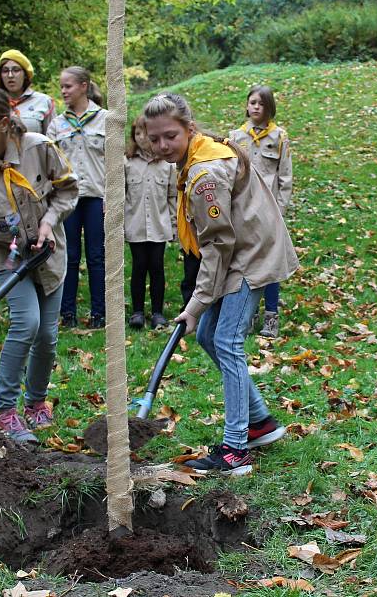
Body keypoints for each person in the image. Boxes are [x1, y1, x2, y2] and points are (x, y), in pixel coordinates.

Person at [143, 92, 298, 475]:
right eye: (154, 138)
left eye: (170, 136)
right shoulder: (199, 156)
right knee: (208, 336)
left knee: (226, 340)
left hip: (248, 258)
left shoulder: (204, 174)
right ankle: (260, 422)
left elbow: (218, 244)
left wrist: (196, 304)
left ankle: (234, 451)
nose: (162, 145)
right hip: (241, 251)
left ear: (188, 129)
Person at [0, 85, 78, 443]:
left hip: (50, 253)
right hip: (9, 258)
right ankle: (4, 411)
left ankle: (36, 404)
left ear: (4, 123)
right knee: (27, 323)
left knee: (48, 336)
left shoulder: (38, 147)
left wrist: (49, 221)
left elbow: (68, 189)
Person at [229, 85, 292, 338]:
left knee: (271, 264)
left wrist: (280, 210)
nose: (256, 107)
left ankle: (271, 317)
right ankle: (248, 314)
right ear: (246, 105)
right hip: (243, 210)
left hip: (269, 212)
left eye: (262, 103)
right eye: (252, 102)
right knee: (245, 263)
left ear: (269, 107)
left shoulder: (279, 137)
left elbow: (285, 176)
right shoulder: (235, 137)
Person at [47, 66, 107, 329]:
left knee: (96, 256)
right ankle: (67, 313)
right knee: (68, 255)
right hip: (68, 199)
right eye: (61, 86)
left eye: (68, 86)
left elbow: (117, 162)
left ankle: (100, 313)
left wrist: (113, 197)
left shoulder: (106, 119)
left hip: (97, 196)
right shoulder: (57, 124)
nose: (63, 91)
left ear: (84, 86)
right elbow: (47, 163)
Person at [124, 116, 177, 329]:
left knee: (156, 267)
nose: (141, 138)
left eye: (145, 133)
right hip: (135, 224)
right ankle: (137, 311)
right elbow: (120, 195)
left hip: (159, 224)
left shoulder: (166, 164)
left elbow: (173, 196)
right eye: (137, 134)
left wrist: (173, 224)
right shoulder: (126, 162)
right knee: (138, 266)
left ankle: (157, 312)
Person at [0, 49, 55, 134]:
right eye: (5, 71)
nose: (10, 75)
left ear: (25, 75)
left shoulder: (43, 101)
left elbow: (52, 140)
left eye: (16, 70)